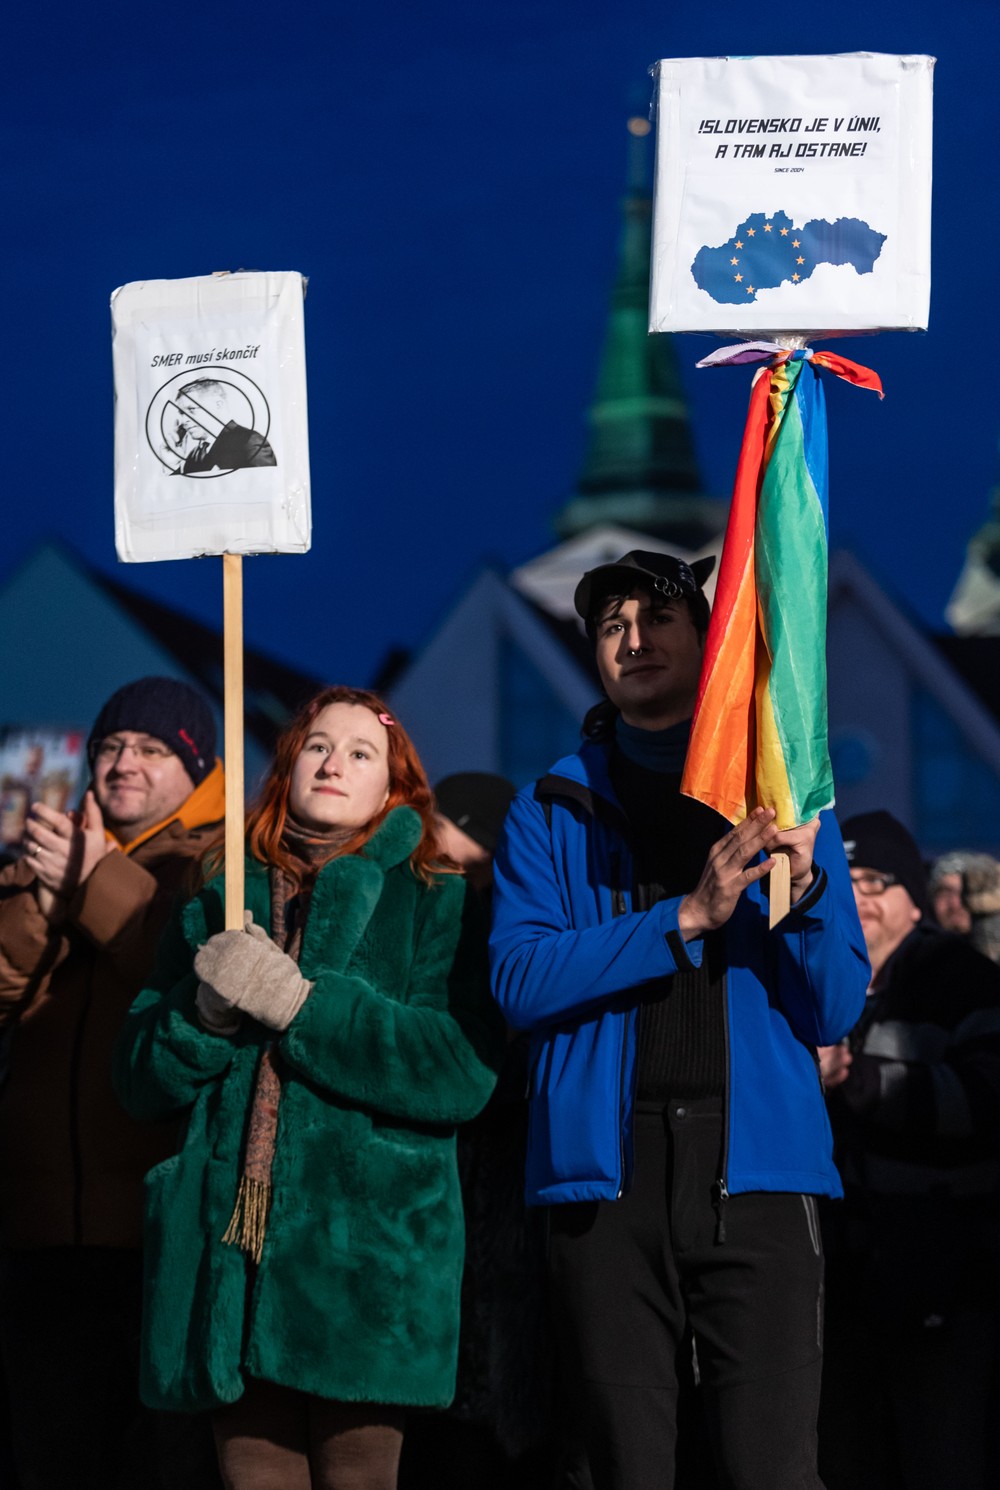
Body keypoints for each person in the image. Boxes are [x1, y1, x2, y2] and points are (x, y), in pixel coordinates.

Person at [488, 549, 869, 1490]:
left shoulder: (779, 796)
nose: (633, 639)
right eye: (610, 625)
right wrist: (685, 917)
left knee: (771, 1466)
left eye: (657, 617)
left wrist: (810, 884)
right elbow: (520, 979)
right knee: (623, 1466)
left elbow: (837, 1002)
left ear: (707, 639)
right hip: (605, 1177)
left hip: (760, 1166)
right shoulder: (551, 803)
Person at [114, 686, 503, 1490]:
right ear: (288, 766)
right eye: (318, 746)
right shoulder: (217, 894)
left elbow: (459, 1067)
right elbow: (137, 1078)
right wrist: (205, 1017)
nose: (334, 762)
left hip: (367, 1260)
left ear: (393, 787)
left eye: (362, 753)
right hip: (230, 1258)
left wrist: (301, 1008)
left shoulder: (436, 899)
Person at [0, 676, 225, 1490]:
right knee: (52, 1458)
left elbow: (189, 977)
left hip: (160, 1234)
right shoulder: (35, 856)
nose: (124, 763)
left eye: (153, 749)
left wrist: (96, 882)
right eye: (111, 747)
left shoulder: (215, 861)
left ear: (197, 769)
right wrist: (47, 896)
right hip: (38, 1231)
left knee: (160, 1466)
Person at [818, 811, 1000, 1490]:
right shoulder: (821, 972)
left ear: (916, 896)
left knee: (940, 1455)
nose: (858, 896)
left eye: (877, 880)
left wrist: (862, 1080)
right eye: (846, 879)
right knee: (844, 1458)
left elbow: (988, 1100)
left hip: (945, 1275)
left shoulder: (960, 977)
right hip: (841, 1283)